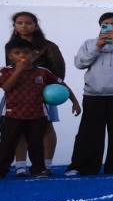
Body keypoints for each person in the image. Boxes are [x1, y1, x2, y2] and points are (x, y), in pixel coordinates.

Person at [65, 11, 113, 176]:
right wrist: (97, 46)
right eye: (105, 26)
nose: (110, 29)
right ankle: (81, 167)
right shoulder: (89, 43)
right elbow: (79, 63)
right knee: (89, 132)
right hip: (94, 94)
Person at [1, 40, 79, 177]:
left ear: (34, 54)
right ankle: (3, 169)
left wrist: (74, 101)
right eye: (17, 53)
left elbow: (62, 85)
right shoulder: (5, 71)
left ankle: (39, 169)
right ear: (10, 55)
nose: (22, 56)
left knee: (36, 143)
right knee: (8, 143)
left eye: (26, 53)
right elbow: (7, 87)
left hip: (37, 115)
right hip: (12, 114)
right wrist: (18, 70)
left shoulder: (43, 72)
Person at [6, 11, 68, 174]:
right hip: (17, 95)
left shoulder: (48, 46)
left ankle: (46, 165)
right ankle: (20, 166)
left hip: (42, 94)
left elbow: (58, 73)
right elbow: (10, 72)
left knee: (46, 126)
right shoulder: (11, 46)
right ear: (15, 25)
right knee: (17, 127)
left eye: (28, 23)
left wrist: (46, 89)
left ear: (35, 25)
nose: (24, 26)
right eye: (19, 23)